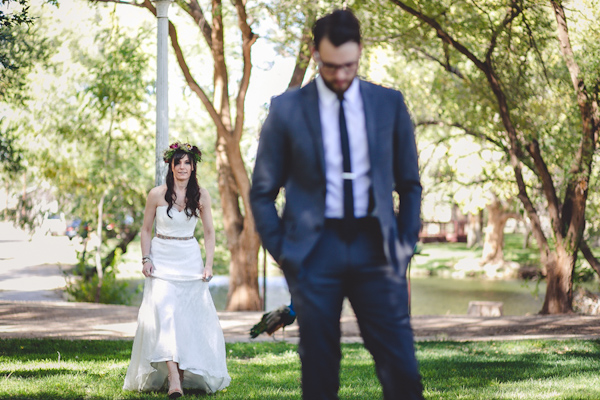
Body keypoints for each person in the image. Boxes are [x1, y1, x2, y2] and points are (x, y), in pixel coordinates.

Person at [250, 9, 424, 400]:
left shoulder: (389, 104)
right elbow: (262, 192)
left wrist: (403, 247)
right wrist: (286, 253)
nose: (341, 75)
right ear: (314, 53)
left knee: (402, 370)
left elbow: (409, 185)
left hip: (377, 251)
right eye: (331, 66)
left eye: (349, 65)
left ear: (360, 51)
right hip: (315, 253)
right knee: (319, 372)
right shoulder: (286, 109)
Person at [123, 142, 230, 398]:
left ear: (193, 167)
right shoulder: (157, 194)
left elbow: (209, 233)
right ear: (170, 167)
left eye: (187, 163)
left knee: (185, 319)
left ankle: (180, 377)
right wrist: (145, 259)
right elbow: (146, 230)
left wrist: (208, 264)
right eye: (178, 162)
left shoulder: (202, 195)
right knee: (166, 316)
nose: (182, 167)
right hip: (162, 260)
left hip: (189, 259)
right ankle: (173, 379)